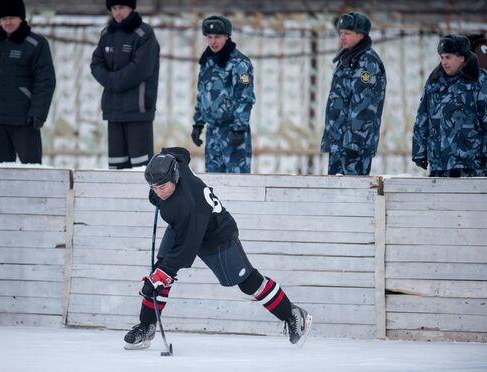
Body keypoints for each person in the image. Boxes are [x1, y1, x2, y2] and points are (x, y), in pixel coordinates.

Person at [123, 147, 312, 350]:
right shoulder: (175, 164)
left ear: (175, 176)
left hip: (216, 236)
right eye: (154, 188)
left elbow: (185, 252)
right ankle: (147, 325)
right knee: (159, 274)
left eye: (162, 187)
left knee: (247, 282)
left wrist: (164, 273)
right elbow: (181, 152)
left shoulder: (189, 206)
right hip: (184, 227)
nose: (158, 192)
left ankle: (292, 314)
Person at [0, 0, 56, 164]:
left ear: (21, 18)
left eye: (11, 17)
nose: (7, 22)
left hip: (25, 120)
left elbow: (46, 81)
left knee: (32, 170)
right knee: (1, 173)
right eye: (3, 18)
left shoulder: (36, 44)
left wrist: (39, 112)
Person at [91, 0, 160, 169]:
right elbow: (96, 64)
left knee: (141, 169)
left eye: (121, 7)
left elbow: (140, 69)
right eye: (113, 8)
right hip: (114, 112)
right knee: (117, 168)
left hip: (138, 111)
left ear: (131, 8)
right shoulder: (107, 33)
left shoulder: (144, 34)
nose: (117, 12)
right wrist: (111, 80)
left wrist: (111, 81)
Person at [412, 34, 487, 177]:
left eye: (448, 57)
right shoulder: (434, 81)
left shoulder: (480, 80)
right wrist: (419, 151)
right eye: (442, 57)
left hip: (470, 164)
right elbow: (423, 116)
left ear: (462, 57)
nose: (444, 62)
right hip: (439, 163)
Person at [321, 11, 386, 175]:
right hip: (339, 143)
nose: (342, 37)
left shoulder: (367, 63)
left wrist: (354, 143)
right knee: (334, 196)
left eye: (347, 33)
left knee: (355, 196)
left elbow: (364, 106)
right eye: (341, 33)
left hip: (355, 146)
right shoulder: (347, 59)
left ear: (361, 35)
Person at [191, 16, 255, 173]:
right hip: (213, 133)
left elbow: (245, 97)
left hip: (232, 132)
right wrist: (198, 124)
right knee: (214, 182)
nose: (213, 42)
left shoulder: (239, 63)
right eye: (209, 37)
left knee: (237, 182)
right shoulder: (207, 61)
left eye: (217, 37)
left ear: (227, 37)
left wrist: (239, 128)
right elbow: (202, 94)